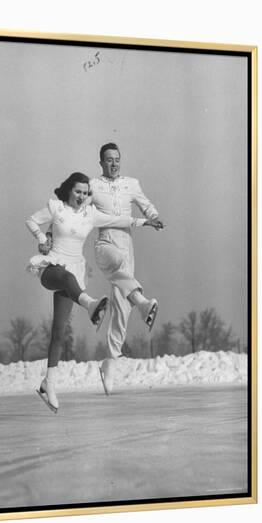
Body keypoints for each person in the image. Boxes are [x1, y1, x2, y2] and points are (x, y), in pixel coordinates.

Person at [26, 172, 161, 412]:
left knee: (58, 332)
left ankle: (49, 384)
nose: (82, 196)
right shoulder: (56, 208)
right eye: (78, 191)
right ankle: (90, 305)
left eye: (86, 193)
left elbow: (118, 219)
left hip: (75, 274)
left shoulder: (90, 214)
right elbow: (32, 220)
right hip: (52, 268)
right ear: (69, 190)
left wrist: (144, 221)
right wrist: (41, 238)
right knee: (66, 277)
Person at [89, 143, 164, 395]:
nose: (114, 163)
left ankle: (110, 362)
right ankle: (142, 303)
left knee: (121, 307)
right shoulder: (93, 185)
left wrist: (154, 216)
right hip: (105, 242)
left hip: (126, 242)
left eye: (117, 159)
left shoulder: (131, 183)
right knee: (118, 267)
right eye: (109, 160)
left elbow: (146, 204)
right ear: (101, 162)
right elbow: (74, 207)